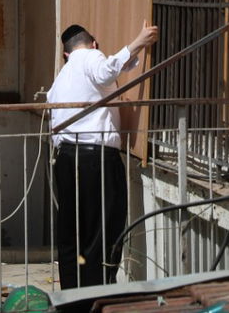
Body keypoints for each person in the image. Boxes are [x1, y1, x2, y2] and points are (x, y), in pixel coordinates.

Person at [47, 20, 160, 290]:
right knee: (102, 231)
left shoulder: (61, 79)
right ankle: (95, 296)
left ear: (65, 54)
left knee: (73, 235)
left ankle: (72, 300)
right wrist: (139, 41)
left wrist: (131, 55)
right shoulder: (90, 56)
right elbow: (105, 71)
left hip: (65, 158)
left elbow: (108, 73)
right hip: (95, 159)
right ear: (94, 43)